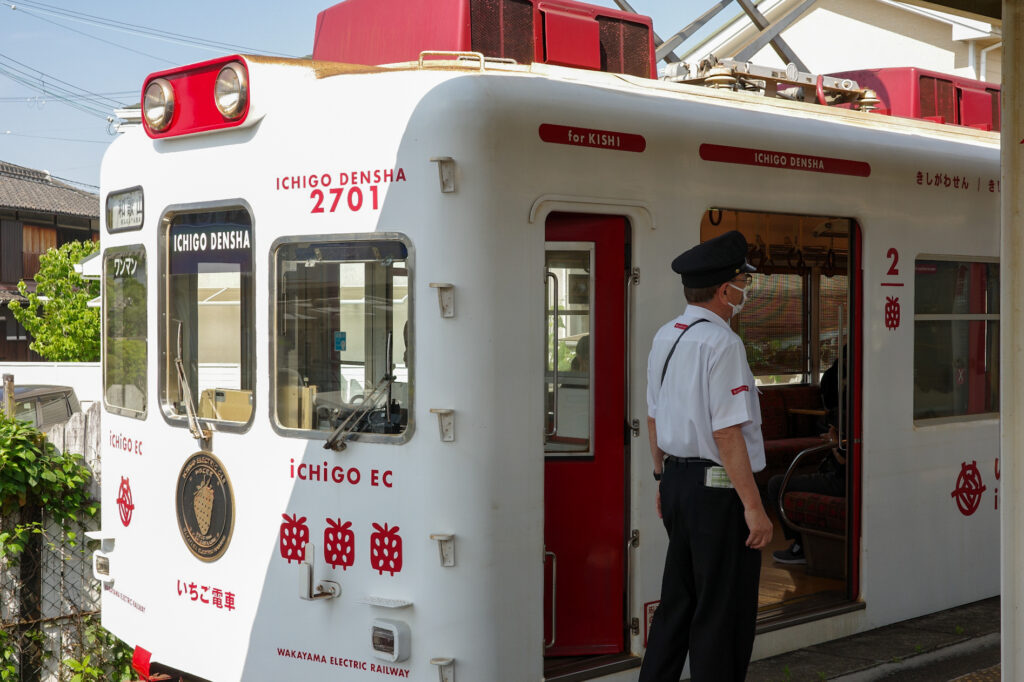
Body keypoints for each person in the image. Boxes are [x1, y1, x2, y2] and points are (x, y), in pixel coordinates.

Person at [640, 230, 772, 682]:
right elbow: (728, 434)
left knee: (678, 602)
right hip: (718, 494)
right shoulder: (723, 345)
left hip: (677, 483)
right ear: (724, 290)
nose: (744, 293)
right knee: (723, 611)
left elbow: (654, 416)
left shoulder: (666, 337)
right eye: (743, 284)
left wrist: (661, 479)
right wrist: (754, 509)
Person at [768, 352, 847, 564]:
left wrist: (833, 442)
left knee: (777, 484)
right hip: (843, 475)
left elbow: (843, 460)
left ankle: (799, 546)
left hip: (842, 480)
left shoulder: (849, 413)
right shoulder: (858, 411)